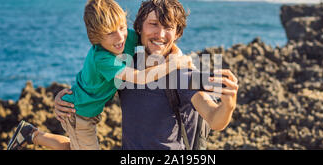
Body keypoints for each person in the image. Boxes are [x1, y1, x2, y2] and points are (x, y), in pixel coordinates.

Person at [6, 0, 193, 150]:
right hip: (77, 113)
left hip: (89, 109)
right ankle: (33, 135)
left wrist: (177, 54)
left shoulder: (127, 37)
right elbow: (141, 77)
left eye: (121, 27)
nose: (119, 37)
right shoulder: (103, 59)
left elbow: (160, 42)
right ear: (96, 37)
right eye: (110, 33)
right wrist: (174, 64)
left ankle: (30, 134)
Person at [55, 0, 239, 150]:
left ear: (177, 33)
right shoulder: (128, 60)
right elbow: (94, 82)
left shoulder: (183, 73)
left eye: (169, 28)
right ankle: (34, 135)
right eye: (153, 24)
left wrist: (228, 104)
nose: (160, 34)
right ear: (138, 29)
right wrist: (65, 98)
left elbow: (215, 120)